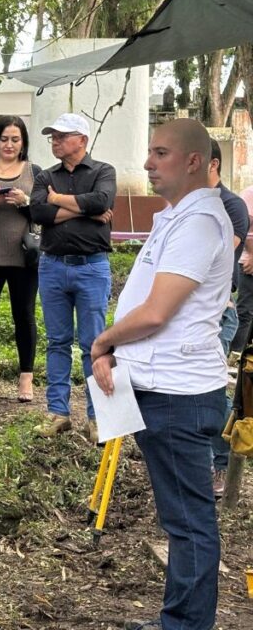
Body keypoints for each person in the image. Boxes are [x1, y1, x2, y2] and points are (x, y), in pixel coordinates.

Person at [92, 118, 229, 630]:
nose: (147, 163)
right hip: (161, 384)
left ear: (193, 160)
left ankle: (186, 625)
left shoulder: (198, 222)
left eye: (160, 153)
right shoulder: (178, 216)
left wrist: (104, 341)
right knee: (180, 518)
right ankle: (182, 619)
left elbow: (156, 313)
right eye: (149, 151)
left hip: (178, 392)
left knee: (189, 522)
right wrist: (111, 353)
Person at [29, 113, 116, 442]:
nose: (55, 141)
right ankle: (59, 413)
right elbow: (37, 213)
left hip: (91, 267)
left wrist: (56, 201)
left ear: (82, 140)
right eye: (53, 136)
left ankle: (97, 418)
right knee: (57, 342)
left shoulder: (103, 171)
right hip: (52, 266)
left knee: (93, 345)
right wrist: (84, 210)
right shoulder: (44, 175)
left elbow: (102, 201)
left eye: (62, 136)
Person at [0, 116, 42, 403]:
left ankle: (26, 377)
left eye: (15, 139)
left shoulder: (34, 172)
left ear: (23, 142)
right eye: (4, 139)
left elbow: (42, 214)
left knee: (24, 316)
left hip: (23, 255)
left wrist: (25, 203)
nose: (10, 145)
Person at [206, 139, 248, 496]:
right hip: (180, 312)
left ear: (213, 164)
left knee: (214, 387)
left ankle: (220, 465)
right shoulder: (182, 203)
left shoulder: (231, 205)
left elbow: (214, 253)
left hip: (218, 310)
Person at [234, 185, 253, 352]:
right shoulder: (249, 194)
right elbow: (245, 228)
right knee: (245, 313)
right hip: (249, 263)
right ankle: (236, 356)